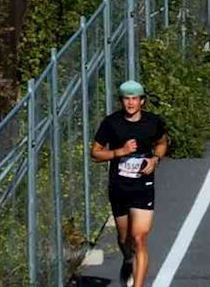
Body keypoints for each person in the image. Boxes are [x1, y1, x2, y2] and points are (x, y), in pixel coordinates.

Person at [91, 80, 169, 287]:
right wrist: (120, 152)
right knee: (125, 239)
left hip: (143, 188)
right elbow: (95, 153)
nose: (131, 103)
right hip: (119, 188)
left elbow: (162, 143)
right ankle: (127, 259)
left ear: (142, 101)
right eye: (127, 99)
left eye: (135, 99)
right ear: (121, 101)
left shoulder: (153, 122)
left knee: (139, 238)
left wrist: (155, 160)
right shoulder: (111, 123)